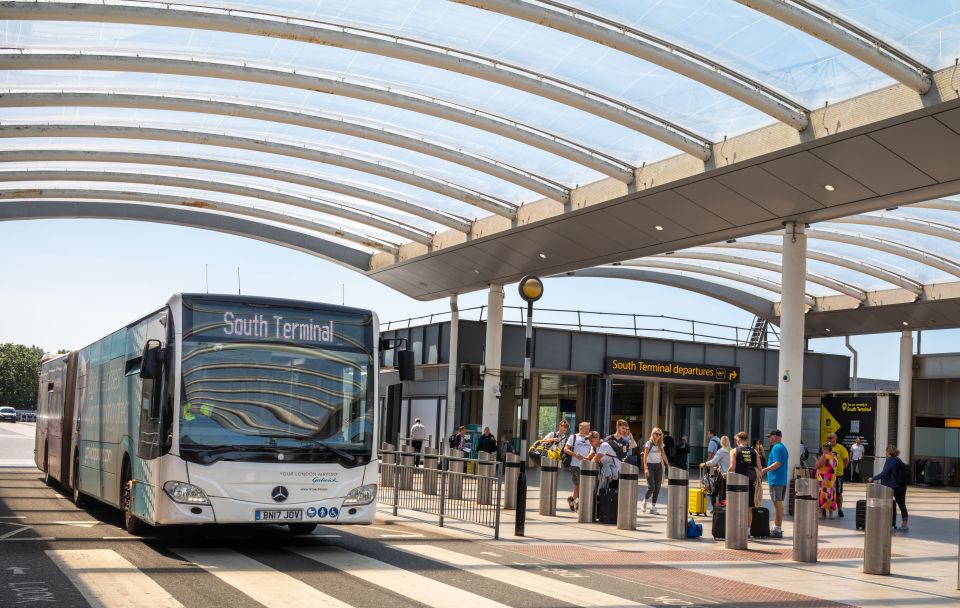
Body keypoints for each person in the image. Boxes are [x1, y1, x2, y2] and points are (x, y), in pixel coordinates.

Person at [868, 445, 909, 532]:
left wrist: (873, 478)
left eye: (886, 451)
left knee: (886, 504)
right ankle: (905, 525)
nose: (885, 453)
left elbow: (884, 474)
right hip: (902, 485)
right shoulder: (898, 459)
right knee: (902, 505)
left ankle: (886, 523)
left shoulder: (889, 460)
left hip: (892, 487)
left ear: (888, 452)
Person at [728, 431, 762, 529]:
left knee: (737, 506)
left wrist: (726, 473)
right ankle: (747, 530)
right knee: (749, 508)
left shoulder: (734, 451)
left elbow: (732, 467)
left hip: (737, 482)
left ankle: (737, 528)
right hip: (751, 483)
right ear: (747, 440)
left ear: (738, 440)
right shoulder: (754, 452)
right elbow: (760, 468)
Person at [761, 429, 788, 538]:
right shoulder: (783, 447)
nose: (769, 439)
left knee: (778, 504)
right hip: (781, 479)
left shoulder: (776, 448)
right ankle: (777, 527)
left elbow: (777, 463)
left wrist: (764, 470)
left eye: (770, 437)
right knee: (778, 503)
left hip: (776, 479)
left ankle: (777, 528)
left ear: (777, 436)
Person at [562, 421, 592, 512]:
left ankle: (572, 500)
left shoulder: (590, 438)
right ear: (581, 428)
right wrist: (575, 455)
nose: (588, 430)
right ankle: (578, 503)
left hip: (587, 465)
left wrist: (588, 457)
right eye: (587, 428)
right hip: (575, 464)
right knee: (578, 483)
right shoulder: (573, 437)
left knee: (583, 485)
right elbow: (565, 449)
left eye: (589, 428)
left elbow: (593, 449)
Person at [642, 427, 670, 514]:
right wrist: (645, 468)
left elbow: (663, 454)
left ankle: (653, 507)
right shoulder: (648, 443)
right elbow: (645, 456)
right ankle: (645, 501)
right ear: (653, 434)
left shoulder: (660, 444)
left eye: (659, 434)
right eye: (656, 433)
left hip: (658, 466)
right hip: (650, 466)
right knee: (651, 487)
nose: (658, 435)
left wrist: (668, 464)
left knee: (657, 487)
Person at [700, 435, 730, 510]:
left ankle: (718, 509)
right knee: (724, 493)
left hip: (722, 475)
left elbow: (713, 461)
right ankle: (722, 509)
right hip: (730, 475)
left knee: (716, 492)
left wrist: (705, 463)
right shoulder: (731, 451)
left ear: (721, 442)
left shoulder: (721, 451)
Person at [828, 433, 849, 517]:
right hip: (828, 474)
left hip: (838, 474)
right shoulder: (827, 448)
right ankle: (827, 509)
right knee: (829, 492)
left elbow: (846, 460)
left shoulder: (841, 448)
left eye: (830, 438)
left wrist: (842, 468)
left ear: (835, 438)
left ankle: (840, 509)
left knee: (838, 492)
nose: (829, 439)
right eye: (828, 438)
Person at [816, 442, 838, 518]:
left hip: (824, 479)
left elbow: (818, 466)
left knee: (822, 495)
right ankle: (831, 515)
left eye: (822, 449)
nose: (822, 451)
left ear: (825, 449)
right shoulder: (835, 457)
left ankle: (820, 513)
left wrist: (817, 461)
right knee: (830, 495)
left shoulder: (825, 456)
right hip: (831, 479)